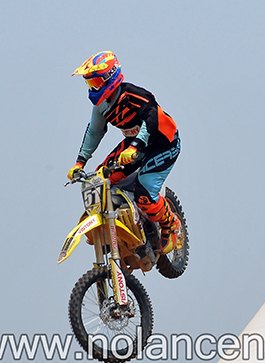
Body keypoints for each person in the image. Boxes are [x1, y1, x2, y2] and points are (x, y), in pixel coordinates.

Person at [67, 51, 182, 254]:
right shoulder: (101, 106)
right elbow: (94, 132)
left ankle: (171, 224)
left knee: (145, 193)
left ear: (109, 77)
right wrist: (79, 162)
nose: (93, 88)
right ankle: (118, 225)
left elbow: (151, 119)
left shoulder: (132, 94)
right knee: (99, 179)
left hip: (163, 143)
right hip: (134, 145)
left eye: (95, 82)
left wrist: (135, 146)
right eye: (90, 83)